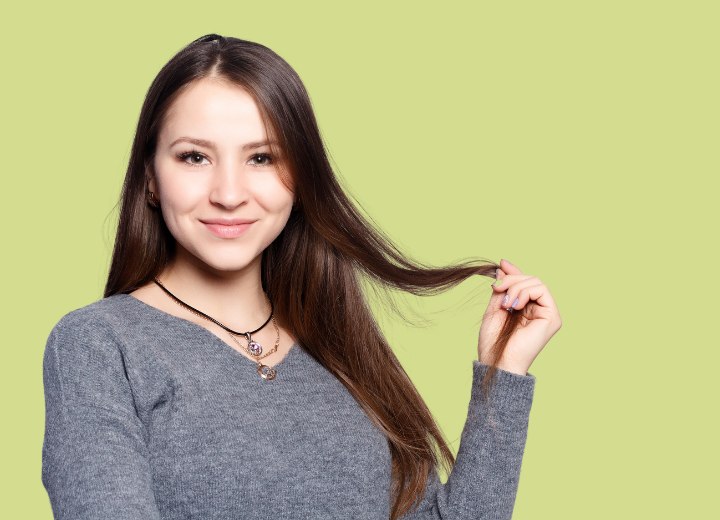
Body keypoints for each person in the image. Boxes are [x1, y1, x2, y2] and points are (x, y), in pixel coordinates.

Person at [41, 34, 562, 520]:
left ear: (300, 179)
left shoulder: (339, 348)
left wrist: (502, 373)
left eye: (262, 158)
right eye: (194, 157)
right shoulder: (98, 345)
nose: (228, 192)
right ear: (152, 178)